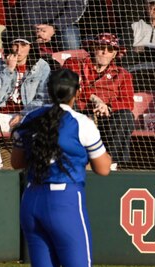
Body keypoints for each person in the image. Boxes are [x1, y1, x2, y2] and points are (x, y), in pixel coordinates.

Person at [10, 68, 112, 267]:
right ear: (76, 93)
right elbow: (104, 169)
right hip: (64, 203)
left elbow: (16, 162)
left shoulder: (31, 117)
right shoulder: (82, 122)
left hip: (32, 201)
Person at [63, 33, 135, 168]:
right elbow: (70, 88)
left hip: (106, 117)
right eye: (101, 47)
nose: (104, 52)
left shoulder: (123, 74)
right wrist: (95, 99)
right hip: (80, 112)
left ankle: (111, 164)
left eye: (110, 50)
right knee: (67, 107)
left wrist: (108, 107)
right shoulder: (73, 63)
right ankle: (69, 161)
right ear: (93, 48)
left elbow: (128, 102)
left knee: (126, 116)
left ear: (114, 54)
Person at [0, 31, 50, 170]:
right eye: (15, 45)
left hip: (28, 114)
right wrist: (9, 70)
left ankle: (36, 168)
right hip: (2, 113)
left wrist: (23, 114)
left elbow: (42, 98)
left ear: (31, 46)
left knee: (41, 124)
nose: (19, 50)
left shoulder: (42, 66)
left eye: (23, 45)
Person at [19, 0, 87, 50]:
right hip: (36, 25)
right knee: (21, 42)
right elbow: (28, 5)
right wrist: (37, 28)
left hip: (64, 25)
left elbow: (75, 9)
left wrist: (53, 27)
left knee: (71, 42)